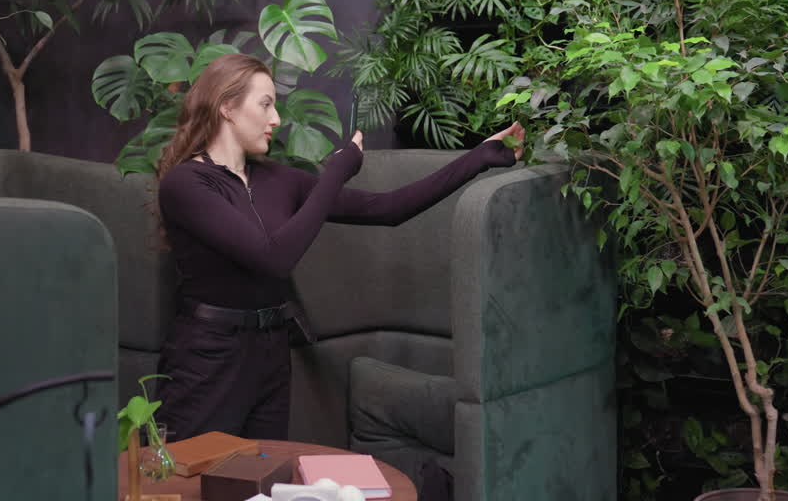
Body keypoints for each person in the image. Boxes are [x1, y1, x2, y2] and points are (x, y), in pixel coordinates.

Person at [153, 53, 525, 440]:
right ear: (227, 107)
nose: (276, 119)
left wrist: (480, 157)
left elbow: (389, 209)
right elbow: (273, 258)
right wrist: (335, 172)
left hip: (270, 352)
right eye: (265, 104)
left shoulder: (279, 180)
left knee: (259, 480)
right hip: (207, 355)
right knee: (188, 482)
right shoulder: (187, 184)